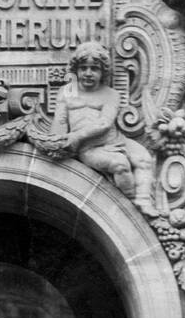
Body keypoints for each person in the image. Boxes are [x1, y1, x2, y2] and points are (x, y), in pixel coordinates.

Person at [48, 42, 156, 216]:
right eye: (84, 68)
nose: (88, 73)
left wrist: (76, 135)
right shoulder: (68, 92)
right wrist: (58, 140)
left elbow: (105, 123)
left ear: (102, 71)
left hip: (115, 140)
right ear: (76, 70)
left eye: (94, 69)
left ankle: (143, 200)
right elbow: (60, 122)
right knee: (120, 165)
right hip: (89, 148)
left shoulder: (110, 94)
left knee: (144, 158)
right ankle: (128, 206)